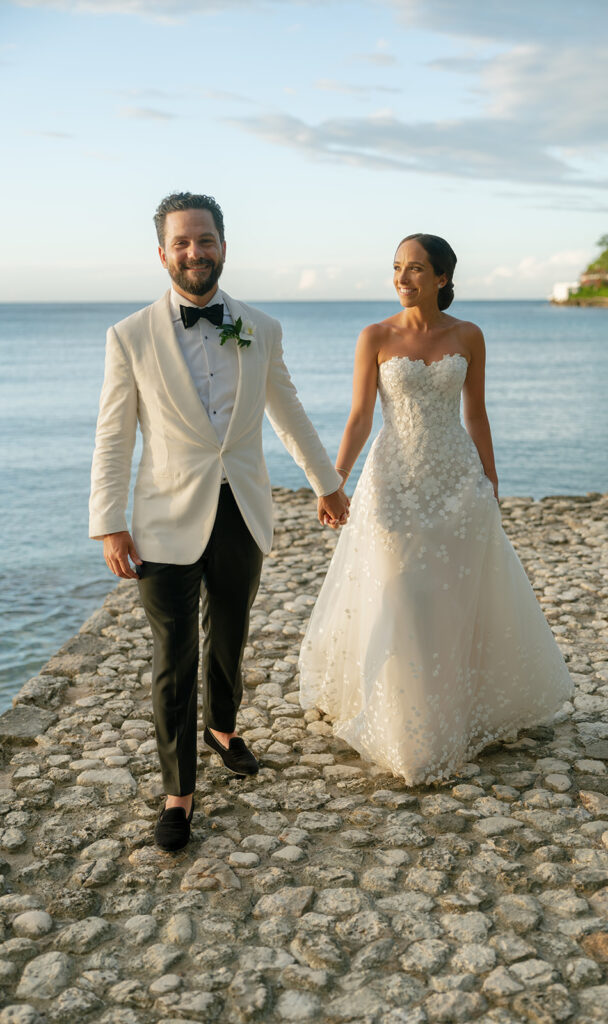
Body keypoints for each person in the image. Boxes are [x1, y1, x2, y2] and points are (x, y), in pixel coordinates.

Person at [89, 192, 348, 850]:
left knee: (230, 631)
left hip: (242, 507)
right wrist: (109, 522)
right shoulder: (129, 336)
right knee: (173, 657)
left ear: (224, 247)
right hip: (163, 517)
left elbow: (287, 410)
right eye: (181, 242)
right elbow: (114, 436)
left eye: (204, 240)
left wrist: (326, 482)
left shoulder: (261, 328)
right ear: (162, 254)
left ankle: (222, 729)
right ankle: (179, 793)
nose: (194, 252)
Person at [299, 233, 573, 785]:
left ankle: (458, 708)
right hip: (393, 483)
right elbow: (359, 417)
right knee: (402, 593)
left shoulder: (468, 335)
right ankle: (407, 727)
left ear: (442, 277)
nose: (402, 278)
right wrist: (333, 483)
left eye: (416, 269)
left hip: (456, 481)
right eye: (397, 267)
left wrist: (490, 480)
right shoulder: (375, 336)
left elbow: (477, 414)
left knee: (452, 593)